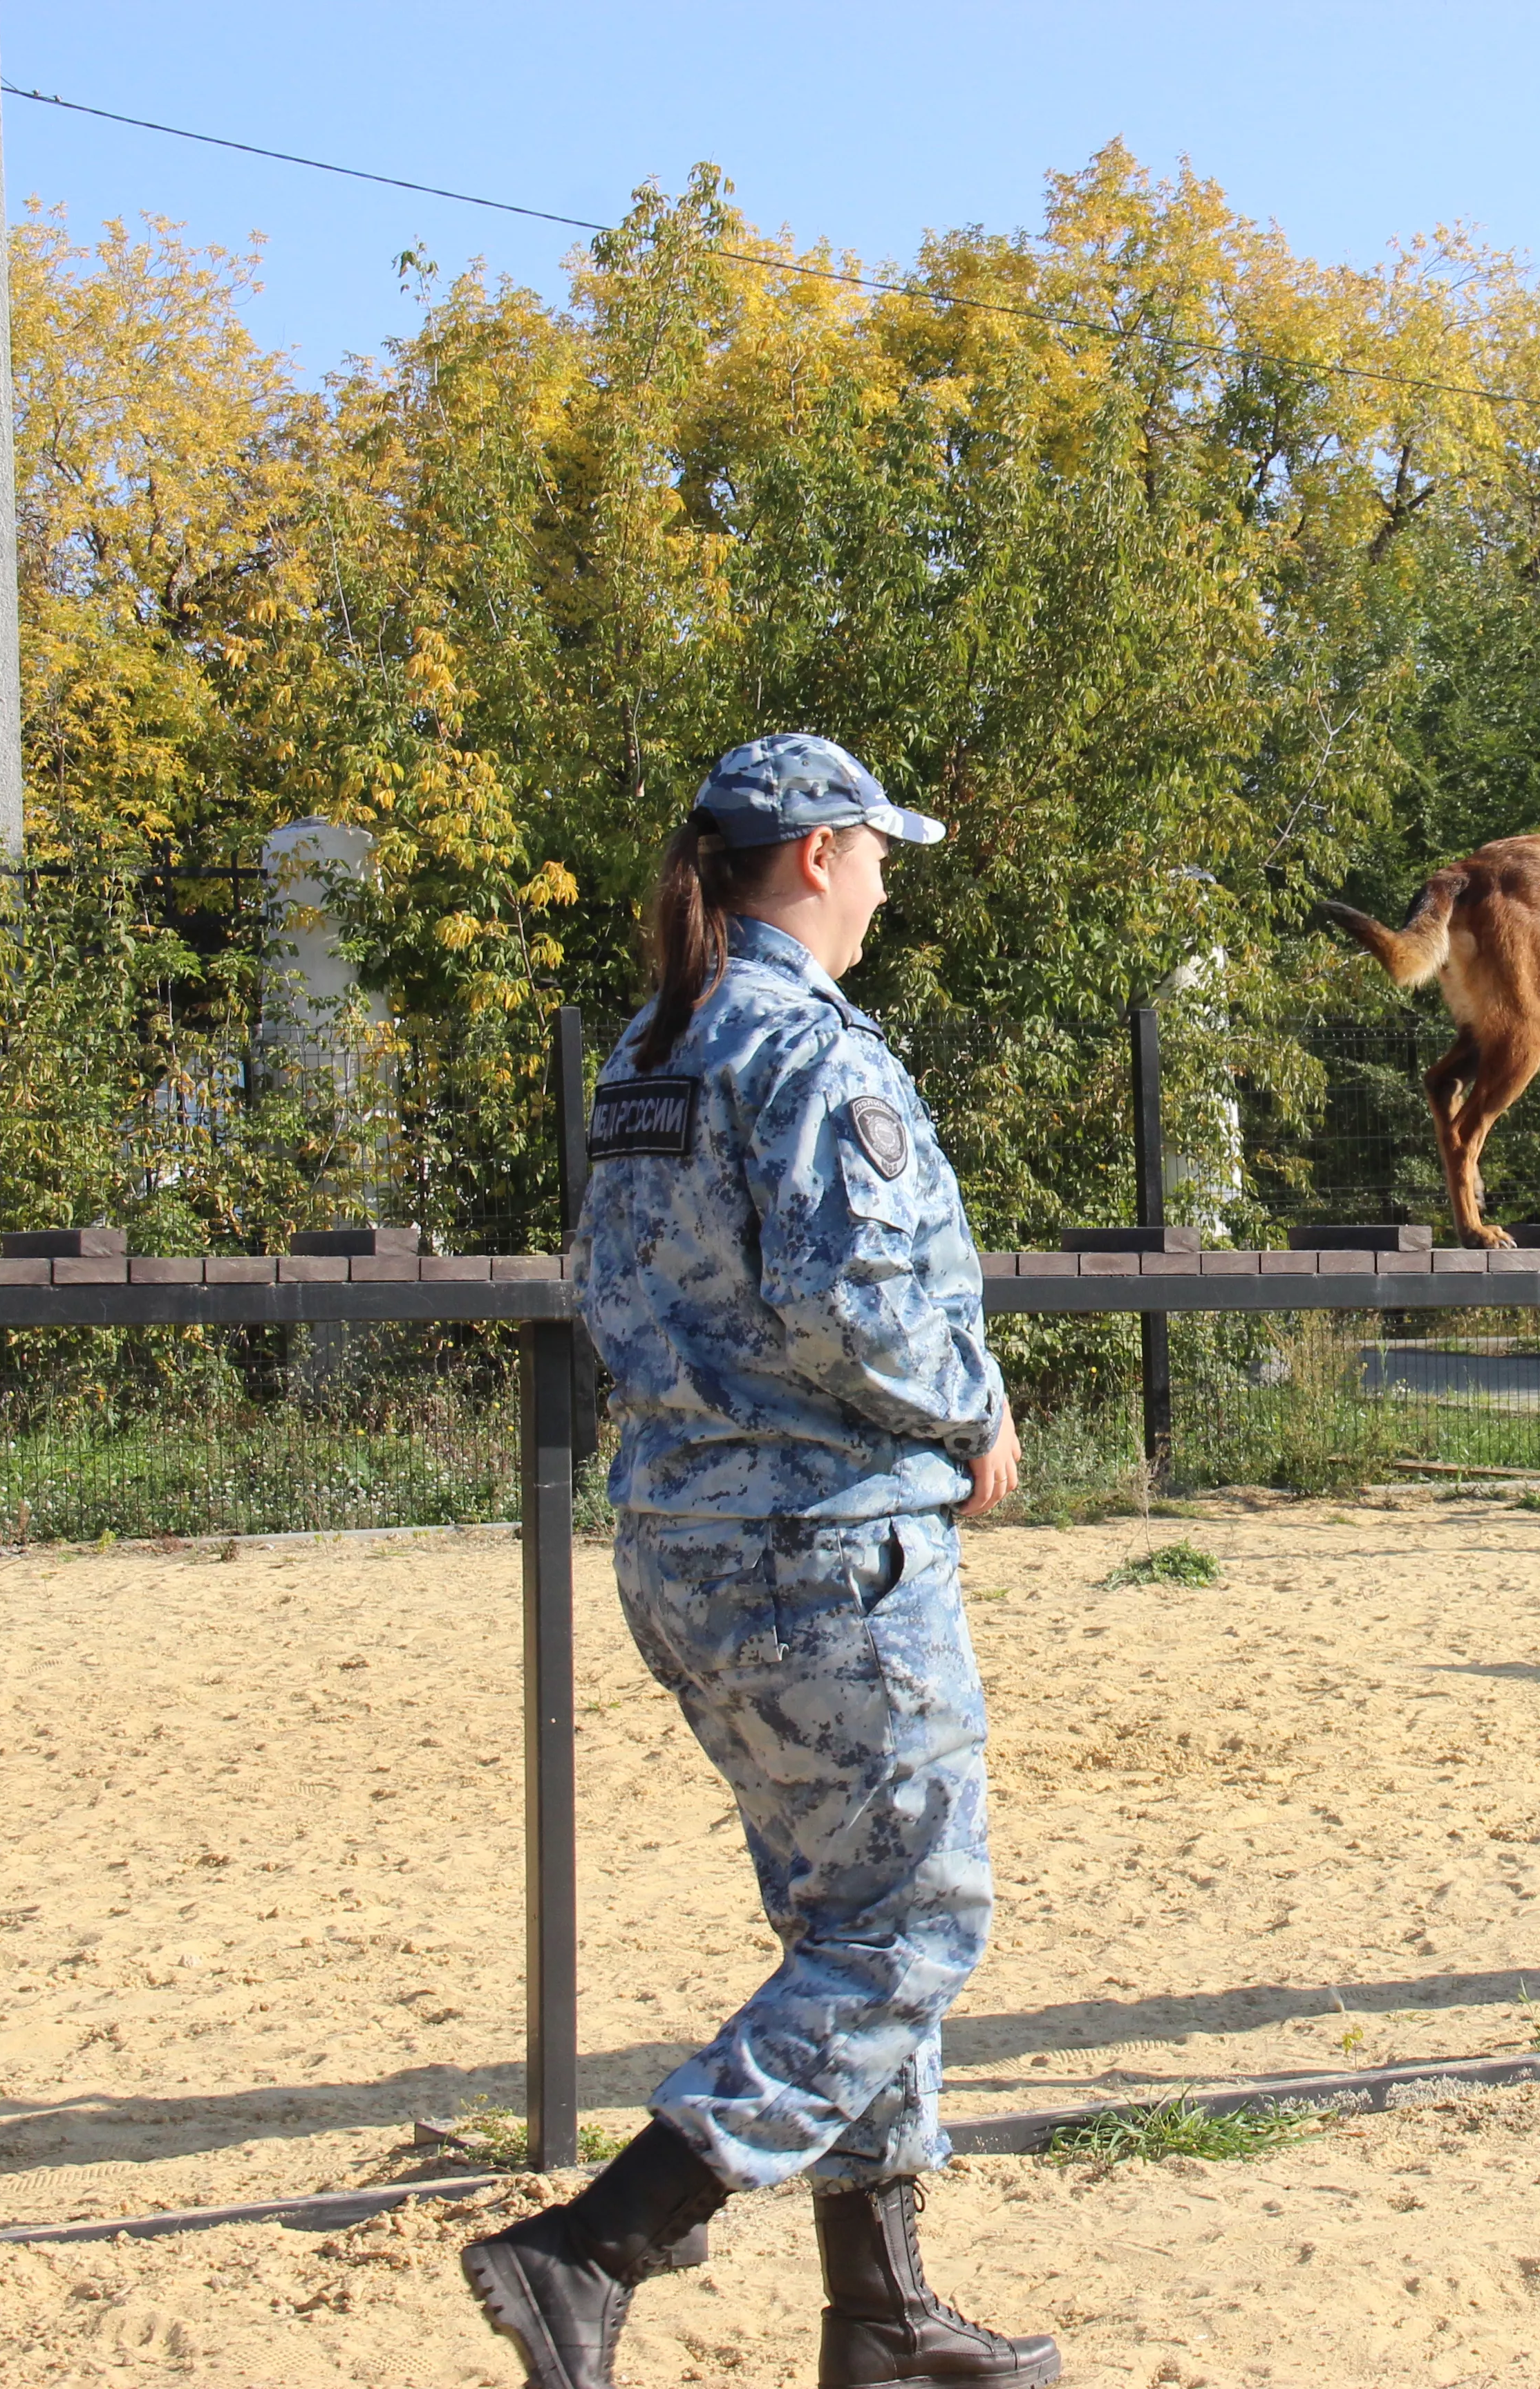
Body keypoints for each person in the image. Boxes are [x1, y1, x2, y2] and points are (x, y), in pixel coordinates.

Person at [463, 733, 1055, 2389]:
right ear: (812, 857)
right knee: (914, 1925)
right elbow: (852, 1304)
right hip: (826, 1551)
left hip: (691, 1540)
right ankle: (598, 2245)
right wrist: (968, 1418)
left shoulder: (655, 1045)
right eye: (876, 857)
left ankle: (881, 2312)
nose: (882, 887)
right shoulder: (804, 1047)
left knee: (841, 1924)